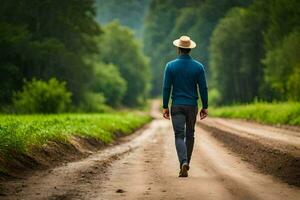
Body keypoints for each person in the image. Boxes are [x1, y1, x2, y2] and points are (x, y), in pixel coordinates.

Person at [162, 35, 208, 177]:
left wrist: (165, 106)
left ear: (178, 48)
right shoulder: (198, 67)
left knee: (179, 136)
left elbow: (166, 87)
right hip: (192, 106)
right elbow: (203, 88)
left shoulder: (170, 66)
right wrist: (205, 105)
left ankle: (183, 162)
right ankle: (186, 162)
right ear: (189, 50)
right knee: (190, 135)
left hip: (177, 105)